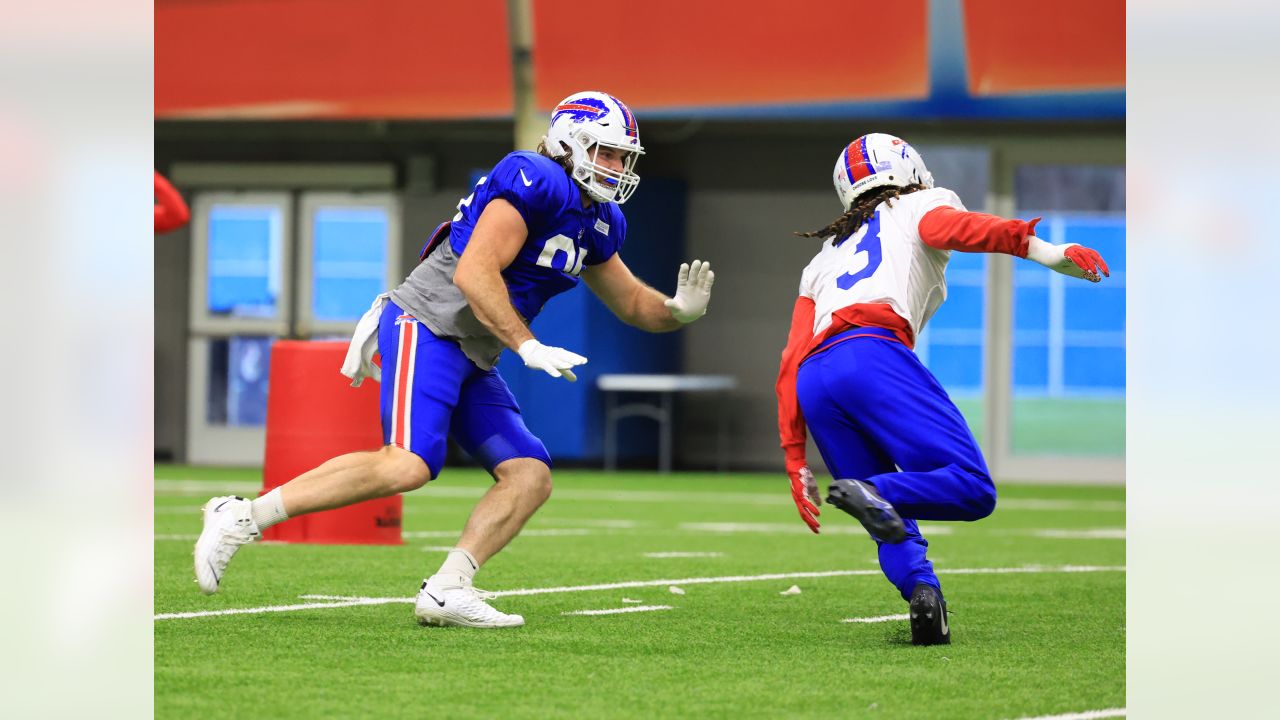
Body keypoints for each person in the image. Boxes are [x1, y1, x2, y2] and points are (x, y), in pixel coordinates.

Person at [194, 91, 716, 628]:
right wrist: (526, 345)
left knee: (529, 474)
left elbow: (632, 302)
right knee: (408, 463)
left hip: (472, 348)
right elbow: (473, 273)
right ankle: (242, 516)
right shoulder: (536, 178)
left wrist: (677, 312)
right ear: (571, 143)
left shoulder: (599, 220)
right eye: (605, 152)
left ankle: (448, 588)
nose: (616, 167)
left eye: (622, 157)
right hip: (427, 323)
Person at [775, 133, 1109, 645]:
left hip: (817, 381)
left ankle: (924, 598)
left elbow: (791, 358)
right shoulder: (918, 203)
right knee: (971, 488)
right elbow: (957, 227)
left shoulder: (823, 257)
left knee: (888, 521)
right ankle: (874, 491)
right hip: (871, 353)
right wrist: (1047, 250)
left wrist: (795, 455)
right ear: (909, 170)